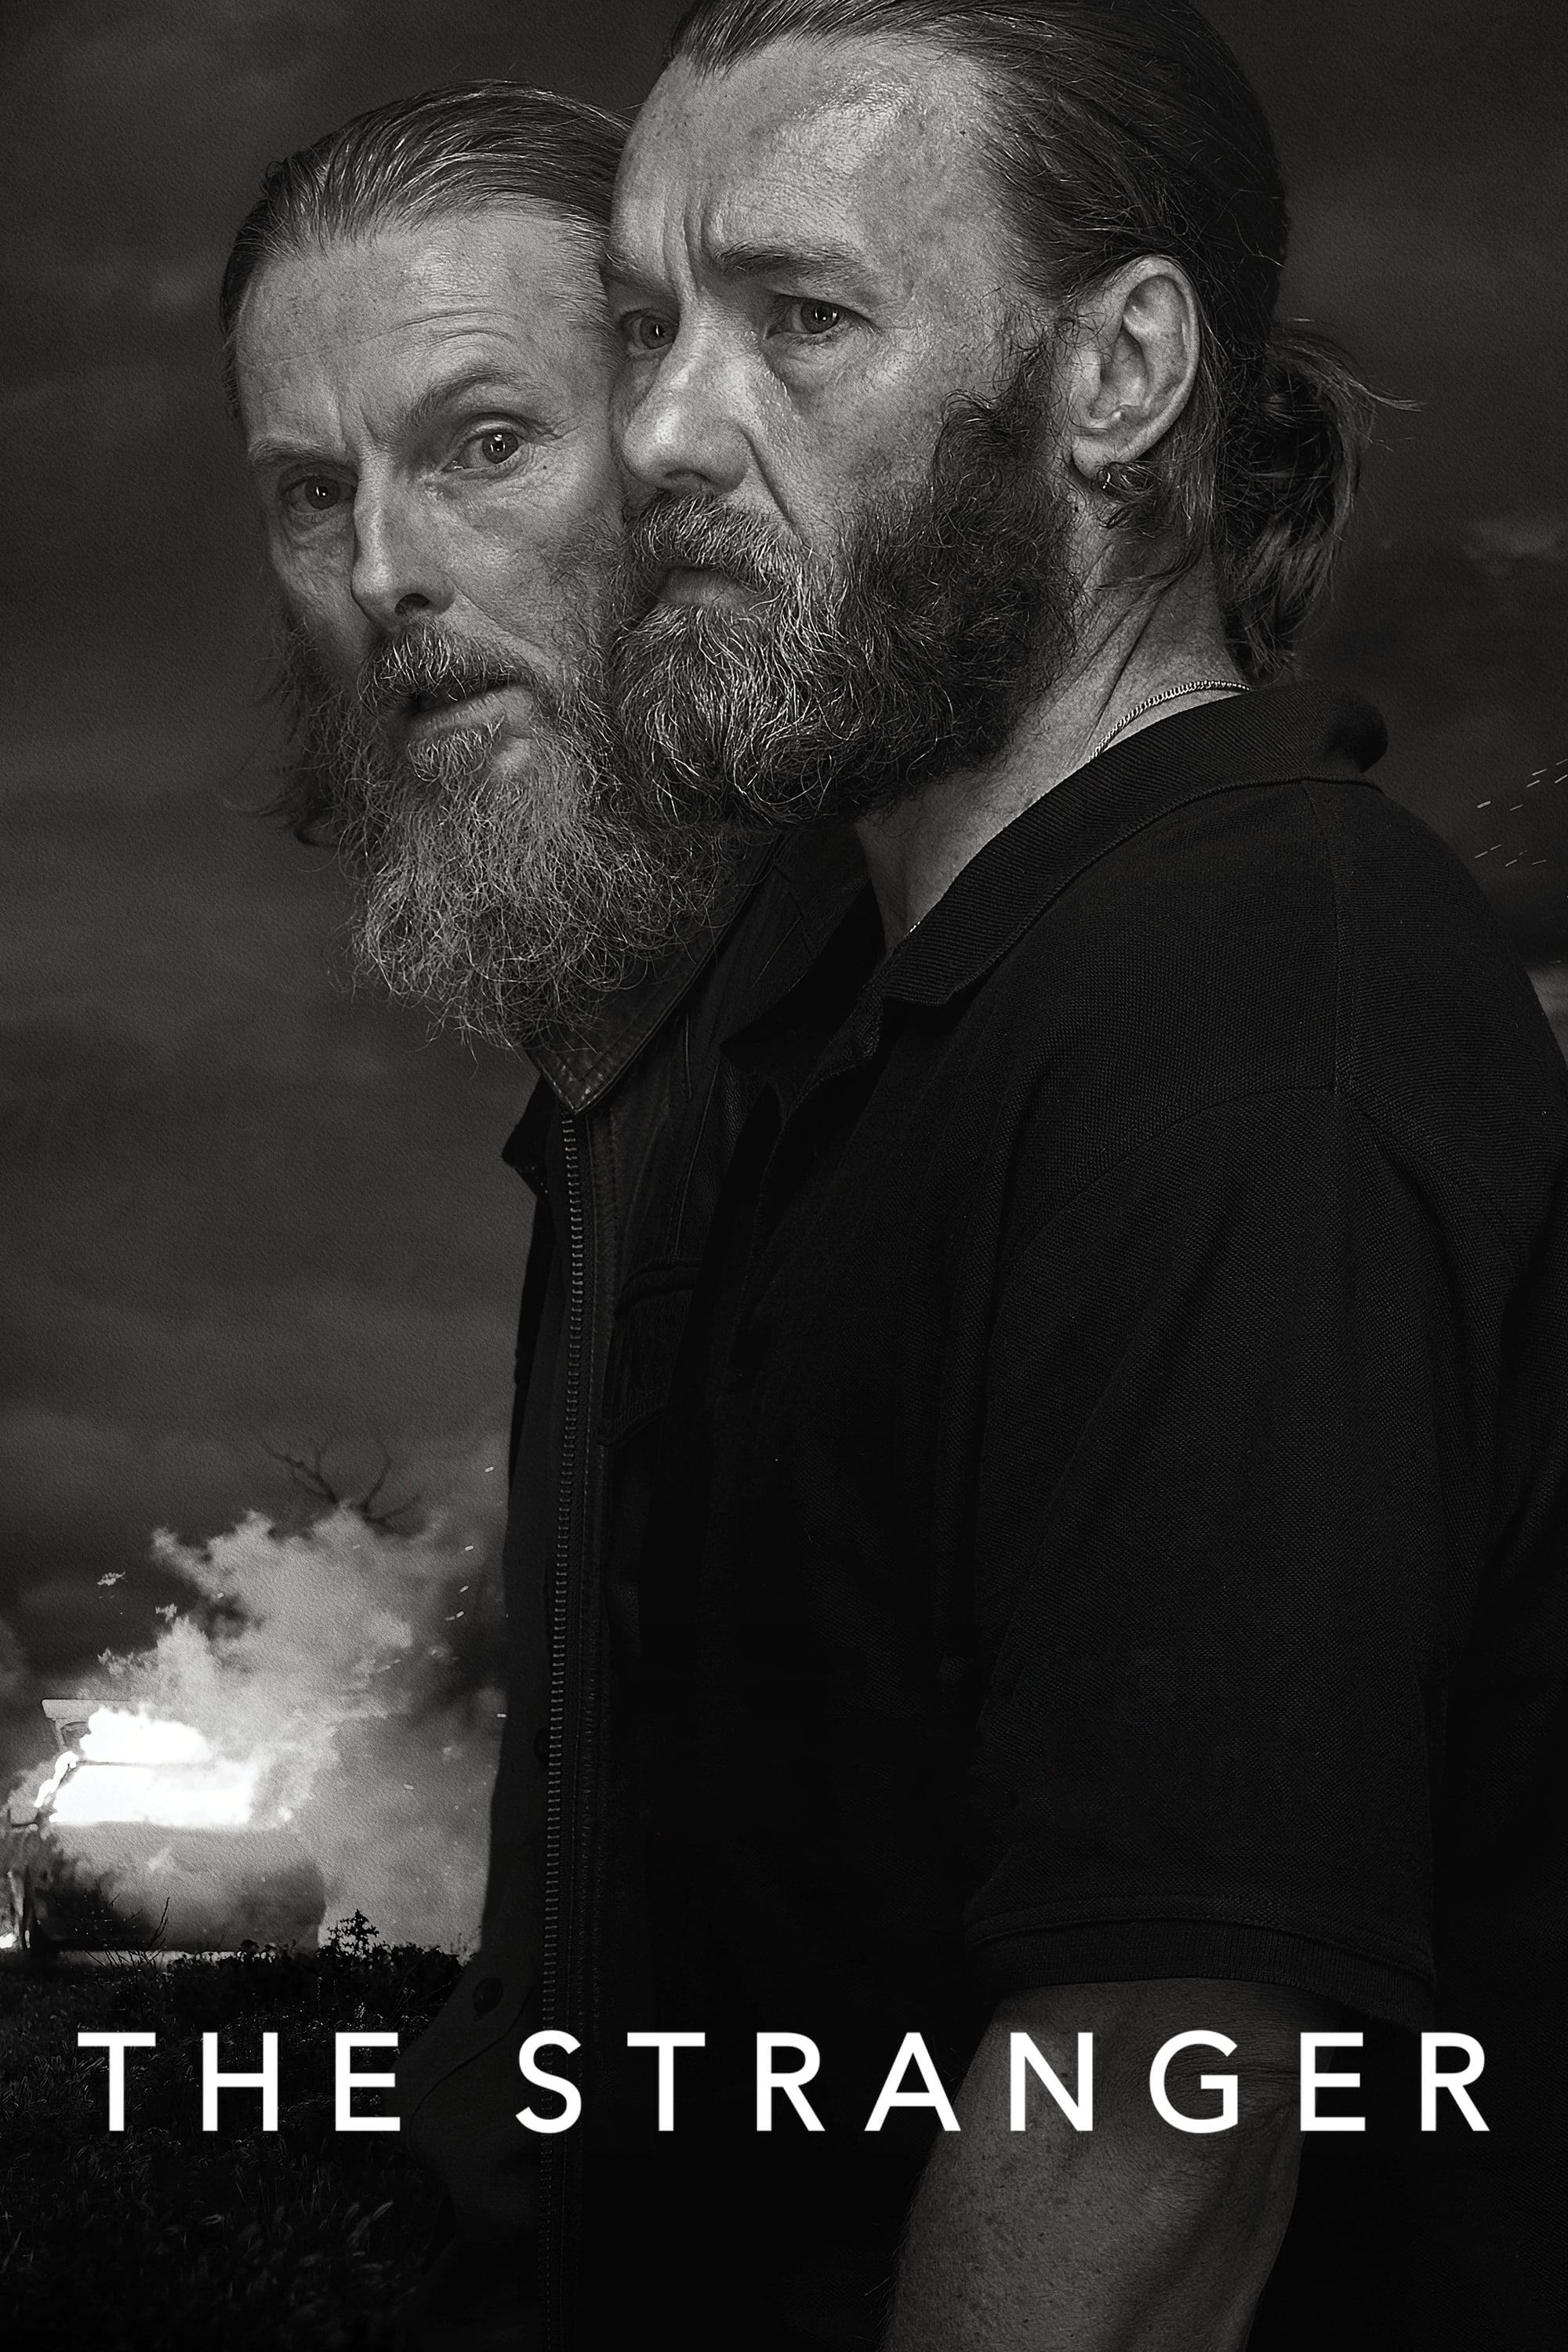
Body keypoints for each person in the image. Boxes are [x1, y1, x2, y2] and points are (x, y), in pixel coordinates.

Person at [524, 2, 1562, 2347]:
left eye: (801, 318)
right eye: (644, 326)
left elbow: (1154, 2119)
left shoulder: (1248, 1001)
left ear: (1121, 375)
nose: (662, 428)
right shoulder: (891, 1017)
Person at [219, 80, 862, 2352]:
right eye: (315, 493)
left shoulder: (903, 1070)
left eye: (482, 443)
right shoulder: (607, 1113)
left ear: (689, 458)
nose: (384, 570)